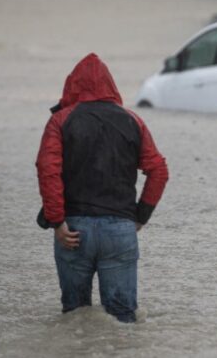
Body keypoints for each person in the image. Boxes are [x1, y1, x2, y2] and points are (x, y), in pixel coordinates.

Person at [36, 53, 169, 323]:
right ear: (111, 86)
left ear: (71, 86)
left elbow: (47, 171)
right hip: (120, 229)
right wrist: (140, 216)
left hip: (73, 230)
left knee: (74, 318)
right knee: (122, 321)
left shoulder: (60, 121)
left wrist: (57, 221)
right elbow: (159, 171)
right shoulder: (133, 120)